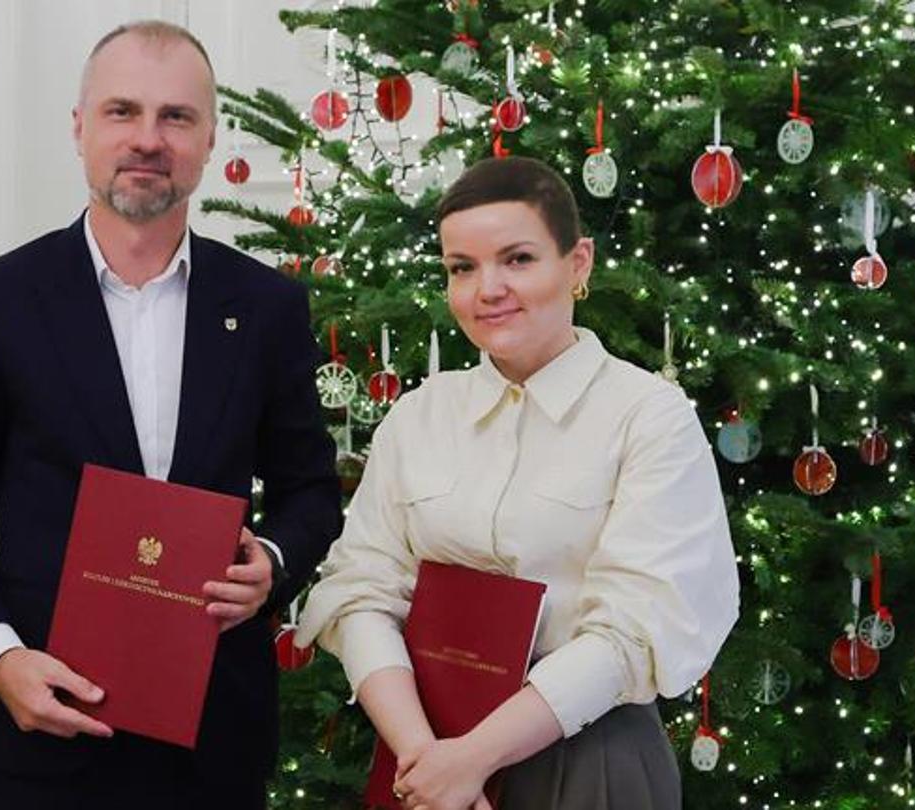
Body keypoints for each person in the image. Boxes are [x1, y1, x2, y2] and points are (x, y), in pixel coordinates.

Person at [0, 20, 341, 809]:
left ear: (209, 138)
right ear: (79, 128)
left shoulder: (267, 307)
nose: (148, 139)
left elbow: (311, 493)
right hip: (36, 737)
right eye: (121, 111)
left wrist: (271, 561)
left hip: (214, 741)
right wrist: (0, 661)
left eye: (176, 117)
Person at [293, 156, 740, 810]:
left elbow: (634, 629)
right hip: (421, 753)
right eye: (462, 268)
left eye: (518, 259)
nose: (488, 289)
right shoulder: (417, 417)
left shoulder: (648, 417)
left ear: (578, 264)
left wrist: (472, 759)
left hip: (588, 759)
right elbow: (359, 590)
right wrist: (425, 756)